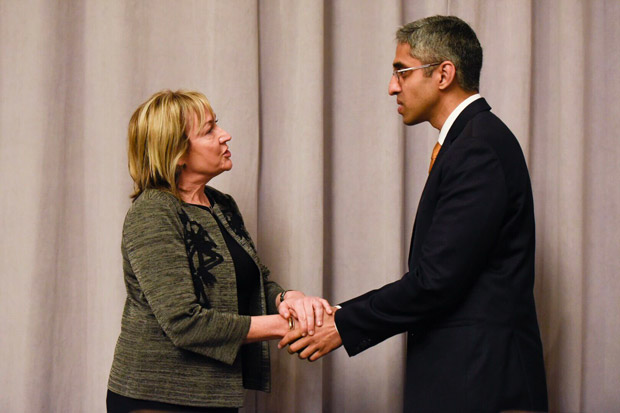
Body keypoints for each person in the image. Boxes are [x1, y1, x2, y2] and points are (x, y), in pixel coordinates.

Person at [280, 15, 548, 412]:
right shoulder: (469, 142)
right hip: (468, 378)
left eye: (401, 72)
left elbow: (436, 281)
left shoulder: (478, 148)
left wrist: (343, 323)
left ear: (443, 74)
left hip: (482, 383)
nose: (392, 87)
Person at [107, 90, 331, 413]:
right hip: (156, 399)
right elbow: (184, 322)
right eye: (209, 130)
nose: (225, 135)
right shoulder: (153, 211)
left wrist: (289, 299)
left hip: (214, 397)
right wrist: (285, 325)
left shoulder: (222, 205)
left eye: (218, 125)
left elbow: (253, 283)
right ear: (178, 152)